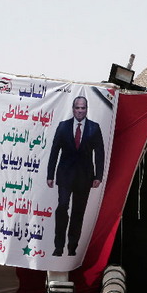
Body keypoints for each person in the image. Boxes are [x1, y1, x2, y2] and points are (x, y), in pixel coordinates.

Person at [47, 95, 105, 256]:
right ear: (73, 109)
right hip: (65, 176)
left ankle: (72, 246)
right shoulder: (63, 127)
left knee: (78, 212)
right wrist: (50, 174)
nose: (80, 111)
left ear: (87, 109)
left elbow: (100, 154)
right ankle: (58, 246)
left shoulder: (94, 128)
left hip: (84, 177)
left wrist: (98, 176)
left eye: (83, 108)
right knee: (62, 207)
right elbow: (54, 152)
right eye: (77, 108)